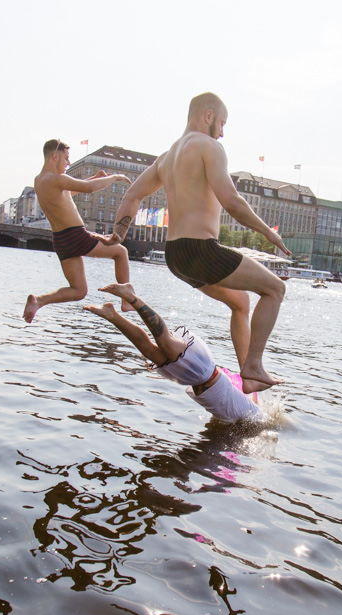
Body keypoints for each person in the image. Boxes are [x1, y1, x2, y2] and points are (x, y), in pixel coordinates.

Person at [110, 93, 290, 394]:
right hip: (201, 250)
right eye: (221, 123)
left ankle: (249, 381)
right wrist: (267, 233)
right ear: (208, 115)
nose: (222, 132)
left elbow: (132, 196)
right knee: (275, 289)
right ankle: (254, 367)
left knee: (240, 302)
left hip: (175, 255)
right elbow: (231, 200)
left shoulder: (166, 158)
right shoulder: (210, 147)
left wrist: (119, 233)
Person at [84, 283, 261, 424]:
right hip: (203, 370)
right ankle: (131, 296)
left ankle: (111, 314)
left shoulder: (236, 417)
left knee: (147, 350)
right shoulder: (256, 417)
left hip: (192, 378)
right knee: (165, 340)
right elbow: (250, 392)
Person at [23, 139, 134, 323]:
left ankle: (39, 301)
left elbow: (67, 193)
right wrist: (114, 178)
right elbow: (89, 189)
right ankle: (127, 300)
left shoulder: (40, 181)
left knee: (79, 291)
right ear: (55, 156)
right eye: (66, 158)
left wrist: (95, 177)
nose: (68, 163)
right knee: (121, 252)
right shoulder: (57, 178)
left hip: (61, 240)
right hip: (75, 235)